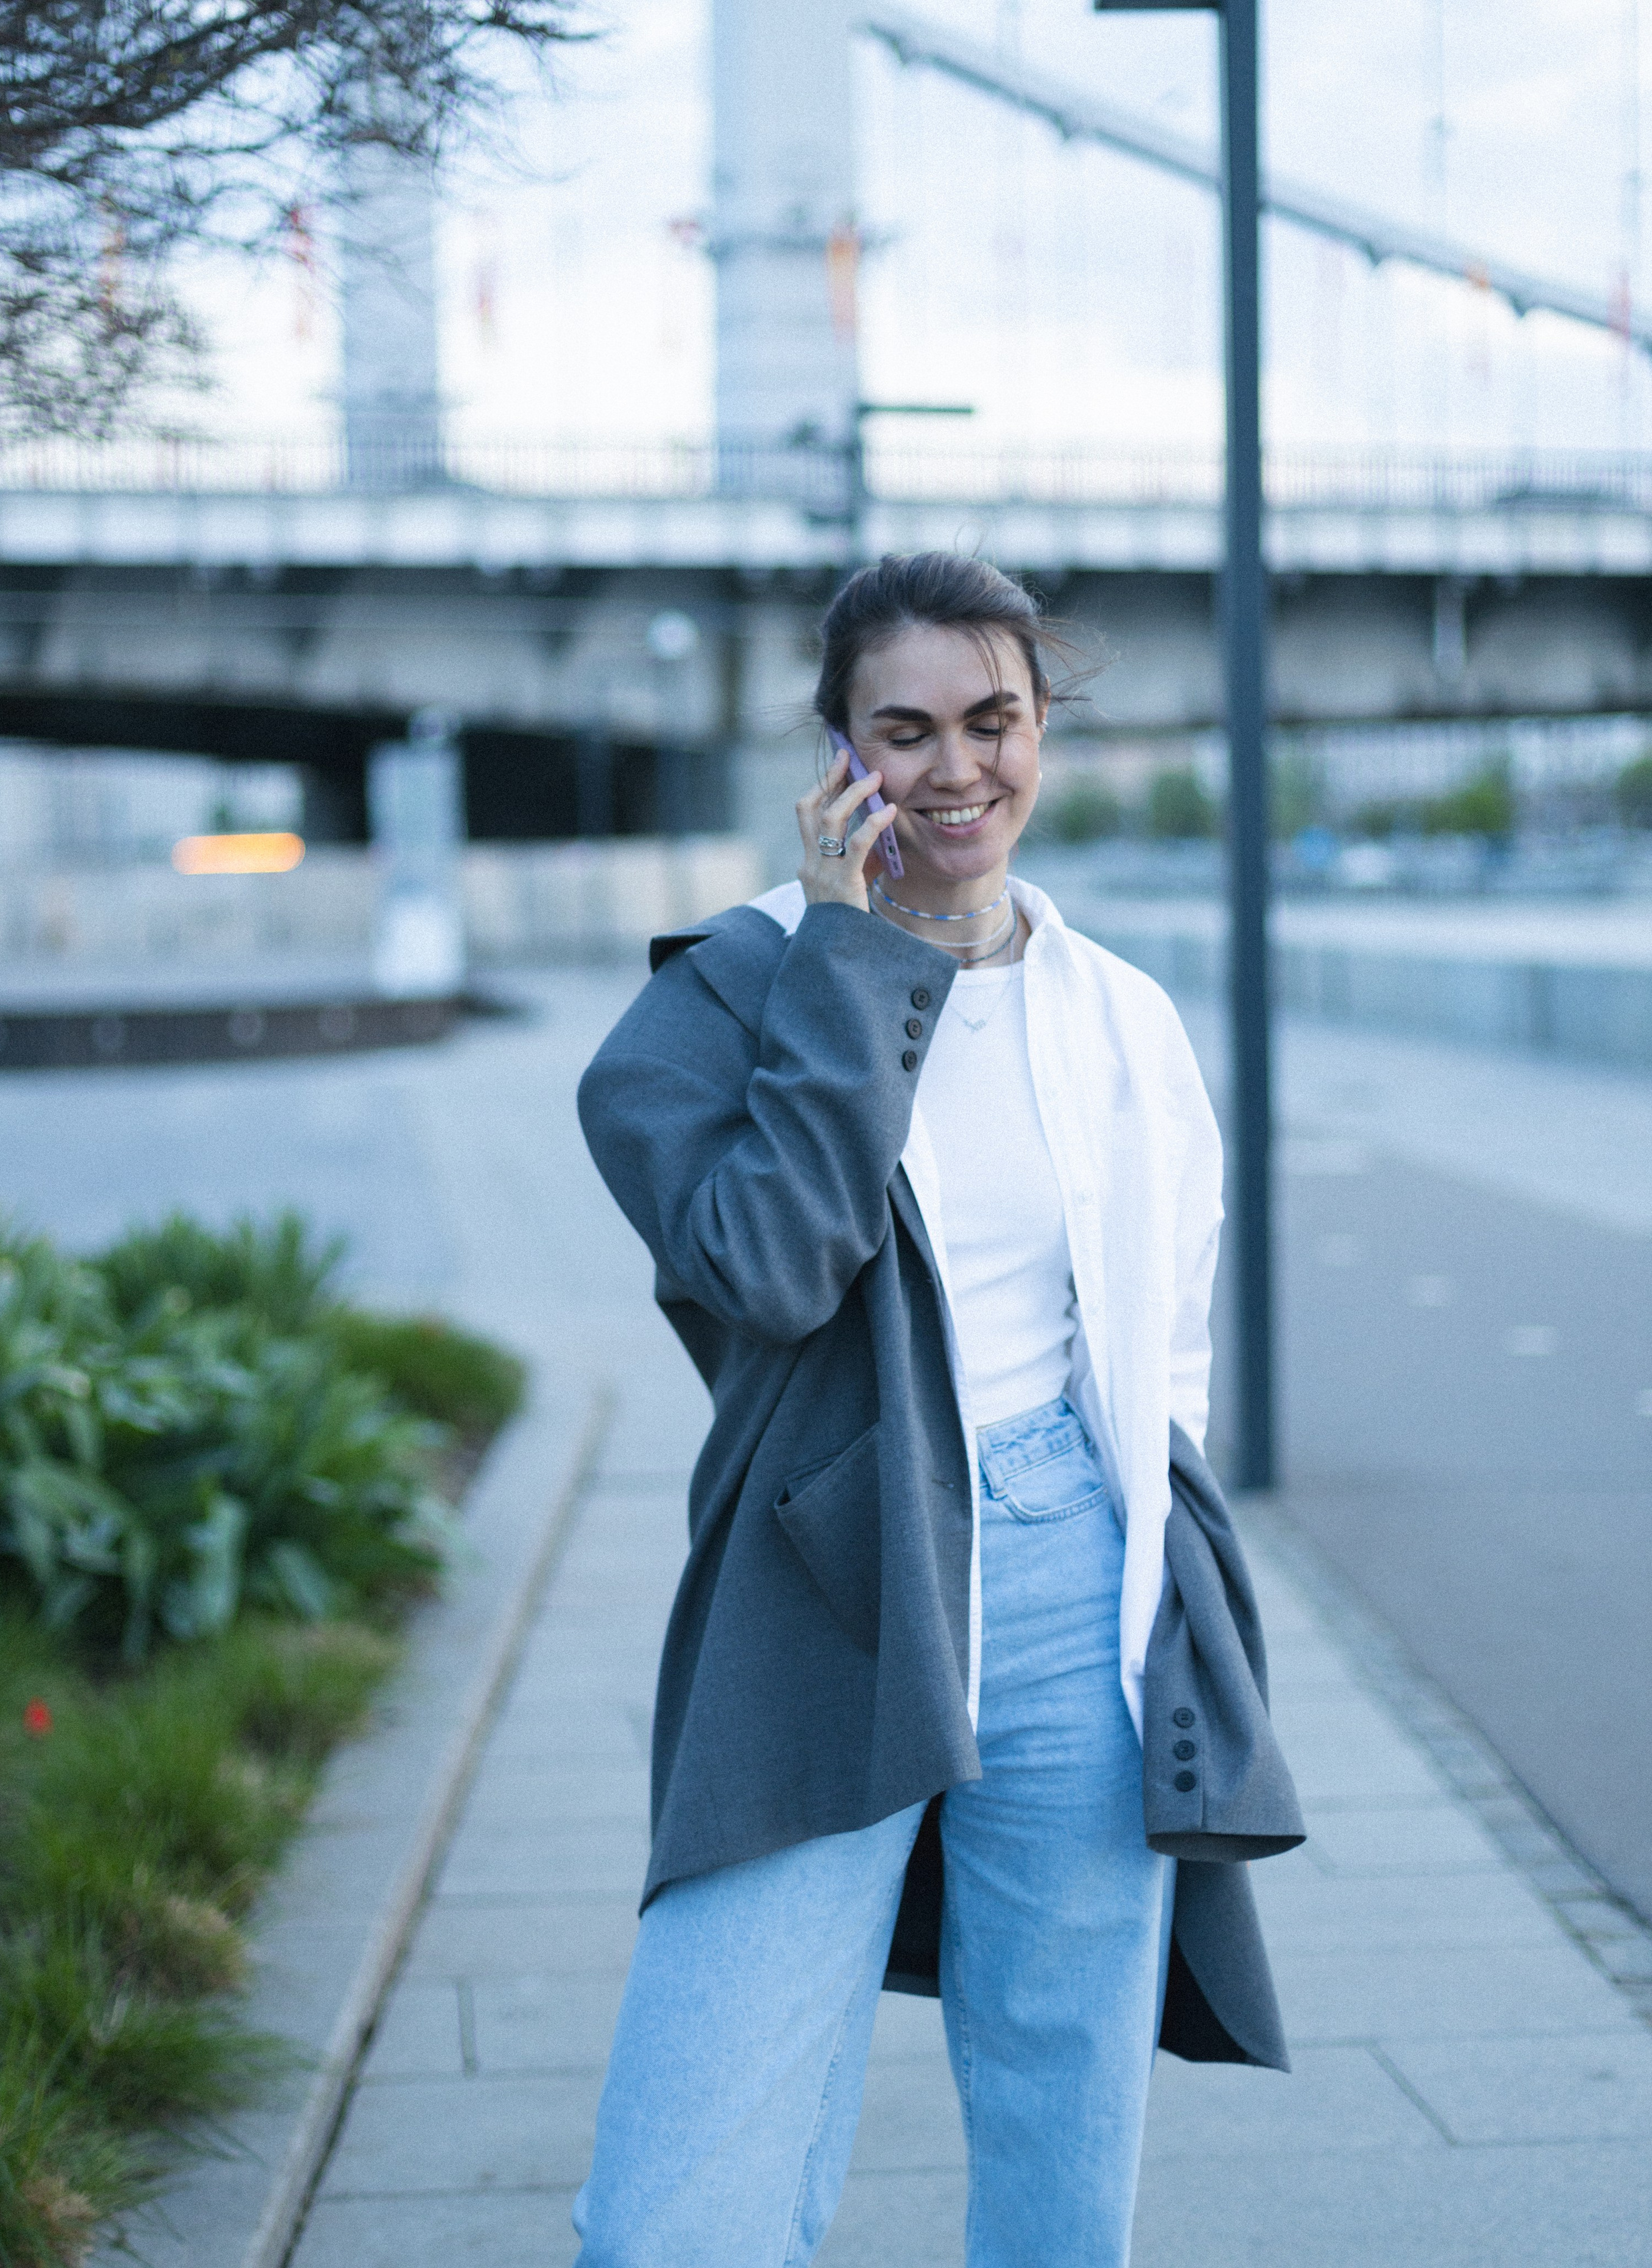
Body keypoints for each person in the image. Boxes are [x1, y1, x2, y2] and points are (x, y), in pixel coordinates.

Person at [573, 551, 1287, 2268]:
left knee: (1062, 2132)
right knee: (684, 2193)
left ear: (1044, 729)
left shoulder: (1118, 1014)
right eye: (904, 730)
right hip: (836, 1579)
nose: (956, 770)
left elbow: (1160, 1336)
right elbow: (765, 1269)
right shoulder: (700, 1017)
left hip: (1072, 1589)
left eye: (994, 720)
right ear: (835, 757)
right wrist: (844, 950)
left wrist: (1159, 1575)